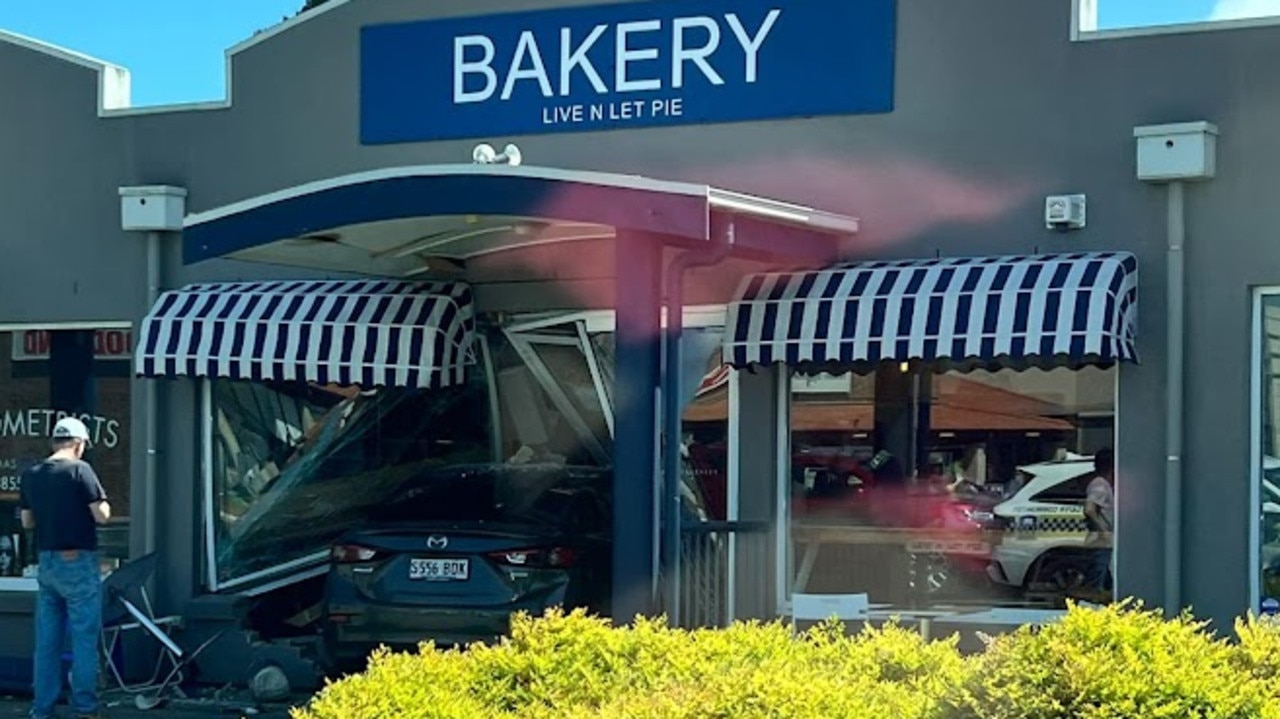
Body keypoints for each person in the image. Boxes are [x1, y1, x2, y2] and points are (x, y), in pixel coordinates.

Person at [18, 417, 111, 719]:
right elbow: (102, 515)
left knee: (47, 641)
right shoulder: (79, 470)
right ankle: (84, 707)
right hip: (78, 562)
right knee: (84, 638)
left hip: (47, 562)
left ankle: (42, 709)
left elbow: (27, 522)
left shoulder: (31, 474)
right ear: (79, 443)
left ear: (54, 442)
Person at [1082, 447, 1116, 602]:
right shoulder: (1101, 485)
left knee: (1105, 576)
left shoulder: (1102, 484)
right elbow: (1089, 509)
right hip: (1101, 540)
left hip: (1103, 539)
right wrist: (1104, 531)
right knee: (1097, 575)